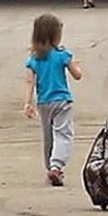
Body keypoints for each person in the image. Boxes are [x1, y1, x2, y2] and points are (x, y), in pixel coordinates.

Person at [23, 14, 83, 187]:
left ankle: (49, 166)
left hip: (43, 102)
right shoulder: (62, 55)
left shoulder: (34, 59)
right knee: (63, 134)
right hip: (62, 99)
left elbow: (30, 82)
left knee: (48, 136)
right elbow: (77, 75)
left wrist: (28, 103)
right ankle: (56, 167)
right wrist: (75, 64)